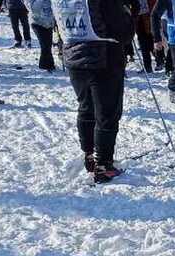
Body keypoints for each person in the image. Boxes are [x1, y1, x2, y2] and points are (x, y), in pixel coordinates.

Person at [51, 0, 134, 183]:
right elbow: (120, 29)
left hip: (74, 56)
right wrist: (129, 16)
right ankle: (103, 165)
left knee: (86, 107)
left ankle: (89, 154)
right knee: (107, 113)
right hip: (103, 57)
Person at [26, 0, 54, 70]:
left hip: (49, 22)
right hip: (37, 22)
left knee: (48, 44)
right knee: (44, 45)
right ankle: (44, 66)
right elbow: (32, 8)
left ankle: (50, 64)